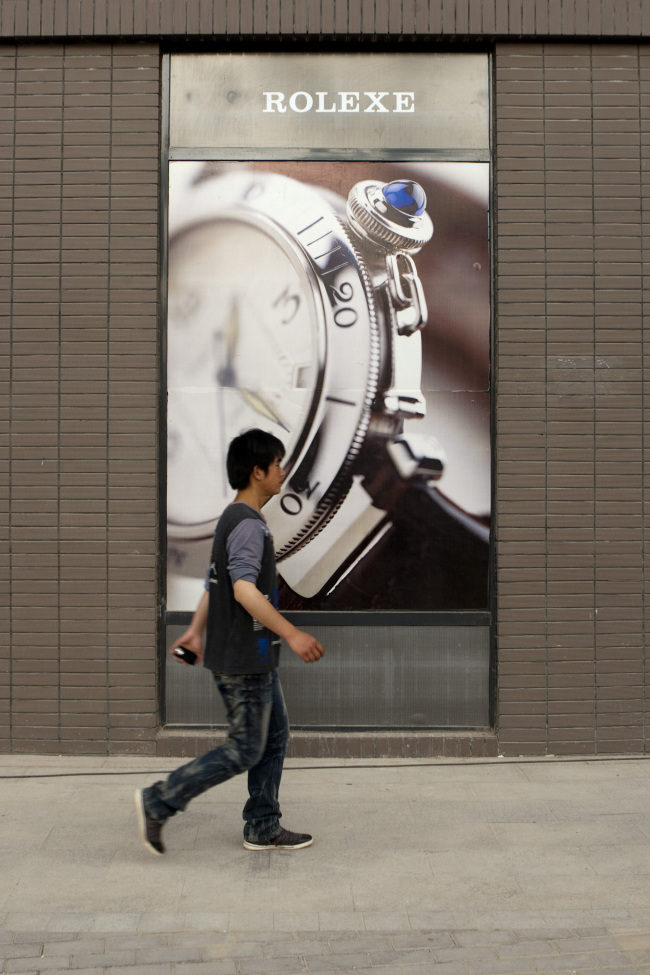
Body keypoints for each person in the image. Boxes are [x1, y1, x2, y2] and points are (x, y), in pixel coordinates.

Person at [135, 429, 325, 855]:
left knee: (273, 736)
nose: (283, 471)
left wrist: (194, 631)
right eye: (277, 464)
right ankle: (160, 800)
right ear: (257, 471)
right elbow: (242, 590)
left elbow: (212, 584)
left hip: (247, 654)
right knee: (243, 748)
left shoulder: (232, 518)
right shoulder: (248, 527)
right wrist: (292, 634)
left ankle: (262, 824)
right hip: (245, 657)